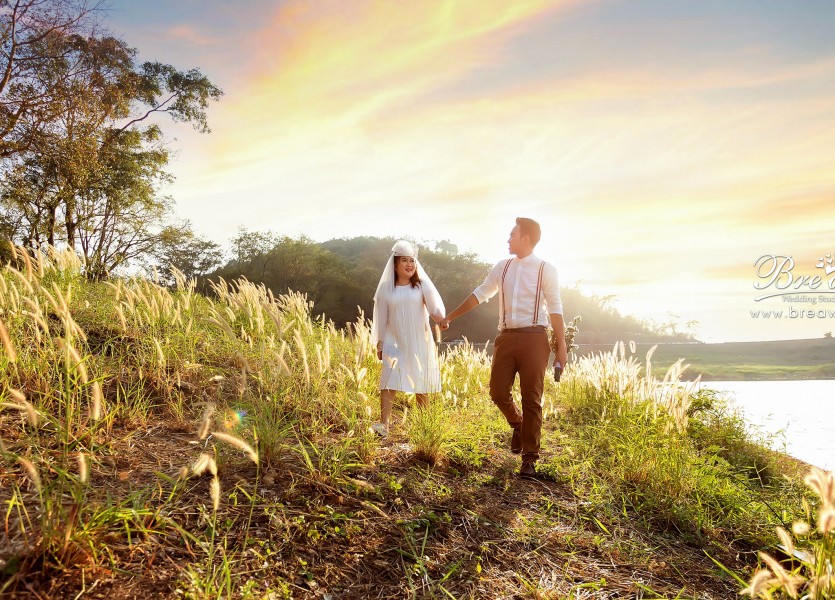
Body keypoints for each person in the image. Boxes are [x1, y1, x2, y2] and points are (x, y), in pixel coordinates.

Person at [441, 218, 566, 477]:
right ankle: (517, 424)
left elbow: (555, 309)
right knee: (497, 391)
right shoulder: (502, 267)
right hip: (506, 337)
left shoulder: (546, 269)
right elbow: (480, 293)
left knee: (531, 398)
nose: (508, 239)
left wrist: (561, 348)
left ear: (526, 238)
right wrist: (451, 316)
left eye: (512, 235)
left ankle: (529, 458)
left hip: (535, 338)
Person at [371, 240, 445, 437]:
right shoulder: (385, 289)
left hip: (419, 339)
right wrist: (380, 343)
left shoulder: (421, 286)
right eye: (404, 260)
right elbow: (381, 318)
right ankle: (384, 425)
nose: (409, 264)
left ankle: (424, 426)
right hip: (393, 339)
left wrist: (441, 320)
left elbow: (434, 310)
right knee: (389, 380)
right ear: (395, 264)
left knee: (421, 382)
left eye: (412, 260)